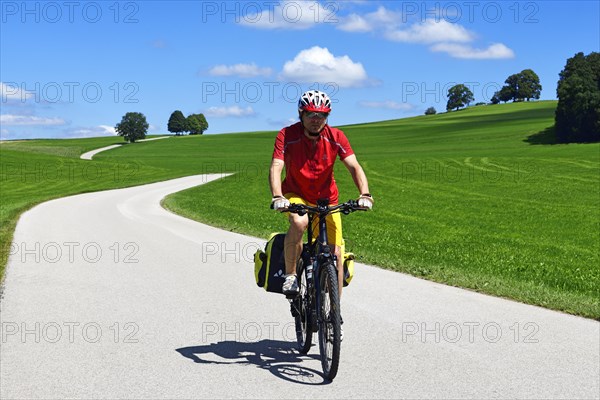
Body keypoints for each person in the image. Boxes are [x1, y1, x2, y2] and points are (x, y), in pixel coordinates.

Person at [269, 90, 373, 299]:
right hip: (295, 193)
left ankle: (335, 313)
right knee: (299, 223)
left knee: (336, 255)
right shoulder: (286, 135)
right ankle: (291, 275)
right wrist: (278, 196)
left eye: (322, 115)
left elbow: (354, 166)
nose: (316, 120)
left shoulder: (336, 137)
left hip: (327, 199)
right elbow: (276, 166)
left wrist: (365, 194)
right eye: (311, 114)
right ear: (301, 113)